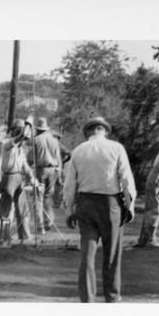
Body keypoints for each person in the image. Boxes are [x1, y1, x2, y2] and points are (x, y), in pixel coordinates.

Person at [64, 116, 136, 303]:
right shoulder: (116, 148)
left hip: (85, 203)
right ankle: (112, 296)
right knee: (111, 253)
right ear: (104, 130)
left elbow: (69, 184)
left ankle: (87, 299)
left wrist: (69, 210)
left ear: (88, 132)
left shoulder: (78, 151)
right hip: (110, 203)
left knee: (87, 255)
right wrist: (130, 205)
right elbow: (126, 179)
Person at [0, 118, 40, 245]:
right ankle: (2, 238)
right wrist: (28, 124)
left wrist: (33, 178)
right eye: (18, 130)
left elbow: (24, 164)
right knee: (6, 210)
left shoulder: (20, 147)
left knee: (23, 209)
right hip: (7, 178)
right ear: (14, 131)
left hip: (18, 177)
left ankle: (24, 237)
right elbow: (22, 136)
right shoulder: (6, 143)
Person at [30, 117, 62, 234]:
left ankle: (40, 226)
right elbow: (58, 158)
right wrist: (59, 173)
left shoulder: (36, 140)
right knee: (48, 196)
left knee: (38, 197)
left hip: (40, 169)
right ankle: (48, 220)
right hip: (53, 170)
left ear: (38, 129)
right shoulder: (54, 140)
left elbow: (30, 157)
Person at [51, 130, 71, 209]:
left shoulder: (59, 145)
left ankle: (58, 203)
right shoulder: (55, 145)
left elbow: (69, 154)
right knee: (57, 186)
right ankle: (58, 202)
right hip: (55, 168)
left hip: (57, 168)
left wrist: (63, 161)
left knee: (58, 186)